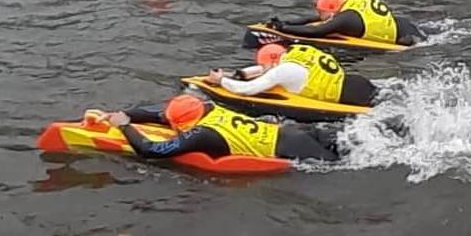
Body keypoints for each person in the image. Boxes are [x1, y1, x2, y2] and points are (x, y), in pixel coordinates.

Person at [102, 95, 340, 162]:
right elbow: (158, 115)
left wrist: (125, 127)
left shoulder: (202, 134)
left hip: (291, 148)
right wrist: (126, 114)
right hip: (291, 132)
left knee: (339, 166)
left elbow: (152, 150)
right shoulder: (207, 107)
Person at [205, 43, 378, 107]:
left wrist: (221, 80)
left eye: (263, 65)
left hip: (350, 98)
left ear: (272, 62)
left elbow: (246, 89)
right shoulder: (297, 52)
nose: (261, 68)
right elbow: (264, 70)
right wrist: (234, 73)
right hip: (357, 82)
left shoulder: (283, 71)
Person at [268, 0, 425, 46]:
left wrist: (282, 29)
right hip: (400, 22)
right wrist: (286, 22)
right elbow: (313, 20)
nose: (319, 15)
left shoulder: (346, 19)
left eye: (321, 11)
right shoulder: (347, 6)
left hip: (404, 34)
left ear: (331, 11)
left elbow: (316, 30)